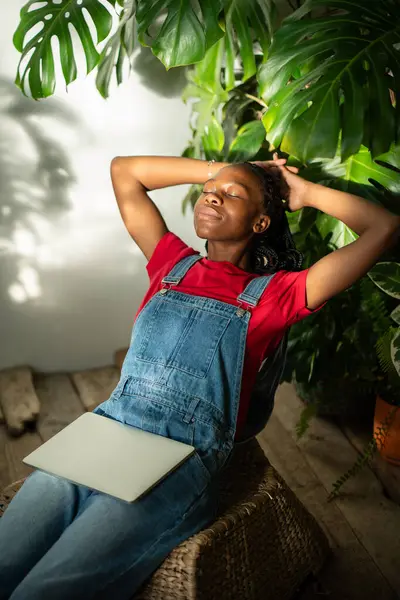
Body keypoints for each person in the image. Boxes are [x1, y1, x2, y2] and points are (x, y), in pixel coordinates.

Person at [0, 154, 399, 600]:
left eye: (233, 194)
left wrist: (302, 192)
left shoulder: (278, 295)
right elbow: (123, 171)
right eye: (212, 189)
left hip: (176, 464)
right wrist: (225, 170)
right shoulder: (170, 262)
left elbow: (383, 228)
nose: (213, 194)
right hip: (105, 432)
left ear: (261, 223)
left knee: (43, 591)